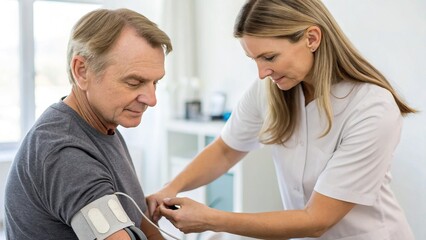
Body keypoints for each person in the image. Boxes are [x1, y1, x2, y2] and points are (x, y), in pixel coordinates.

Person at [147, 0, 416, 239]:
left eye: (270, 57)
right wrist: (170, 188)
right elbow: (226, 149)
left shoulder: (371, 107)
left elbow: (317, 220)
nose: (262, 72)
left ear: (312, 38)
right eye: (254, 60)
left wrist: (212, 220)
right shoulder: (269, 90)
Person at [4, 8, 172, 240]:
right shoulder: (65, 153)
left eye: (155, 83)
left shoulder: (104, 126)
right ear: (81, 71)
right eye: (134, 82)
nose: (152, 100)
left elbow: (144, 227)